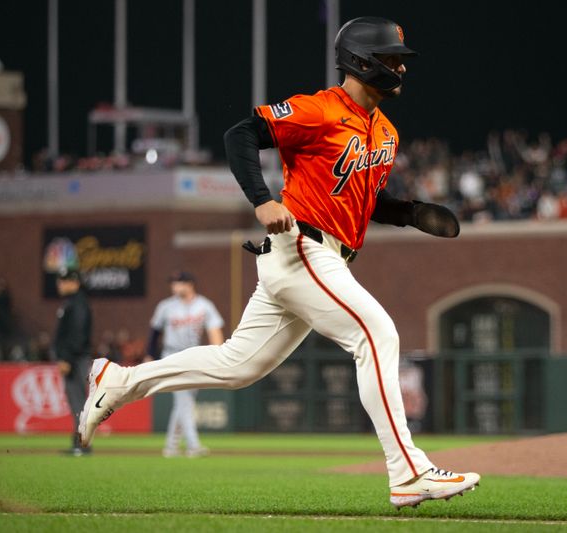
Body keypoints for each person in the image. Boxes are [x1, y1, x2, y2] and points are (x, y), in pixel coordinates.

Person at [78, 16, 479, 509]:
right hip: (303, 248)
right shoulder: (320, 109)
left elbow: (362, 198)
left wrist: (409, 212)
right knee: (376, 334)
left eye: (401, 59)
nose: (400, 66)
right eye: (392, 58)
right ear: (360, 61)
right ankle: (409, 471)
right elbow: (240, 134)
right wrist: (261, 198)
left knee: (237, 366)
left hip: (324, 256)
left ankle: (117, 381)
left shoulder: (386, 132)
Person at [146, 271, 224, 458]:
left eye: (178, 283)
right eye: (173, 283)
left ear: (189, 284)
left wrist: (219, 355)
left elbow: (215, 330)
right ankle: (193, 445)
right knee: (184, 400)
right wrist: (149, 355)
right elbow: (155, 333)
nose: (174, 286)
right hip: (171, 354)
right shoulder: (166, 306)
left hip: (194, 355)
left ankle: (171, 447)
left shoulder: (204, 305)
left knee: (183, 403)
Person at [53, 268, 93, 456]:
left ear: (74, 282)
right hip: (75, 357)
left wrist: (66, 358)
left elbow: (77, 334)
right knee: (77, 402)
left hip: (75, 359)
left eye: (63, 281)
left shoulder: (77, 303)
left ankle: (81, 444)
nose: (59, 284)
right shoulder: (73, 302)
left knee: (78, 402)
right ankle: (80, 443)